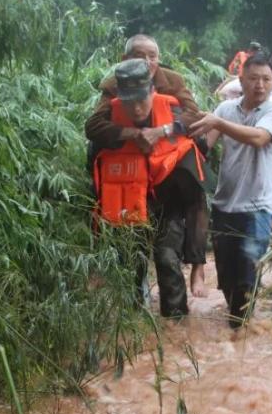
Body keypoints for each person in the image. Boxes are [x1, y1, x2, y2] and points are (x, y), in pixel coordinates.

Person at [85, 34, 209, 297]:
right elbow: (93, 127)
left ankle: (197, 265)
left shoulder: (172, 81)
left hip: (169, 165)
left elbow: (193, 115)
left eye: (152, 56)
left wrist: (161, 131)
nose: (147, 62)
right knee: (132, 252)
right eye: (140, 56)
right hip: (131, 171)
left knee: (194, 187)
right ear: (125, 60)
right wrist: (132, 134)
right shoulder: (113, 84)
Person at [189, 54, 272, 328]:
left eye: (266, 79)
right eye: (254, 78)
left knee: (247, 272)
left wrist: (218, 124)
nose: (260, 85)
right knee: (226, 275)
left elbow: (259, 138)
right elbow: (204, 147)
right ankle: (237, 319)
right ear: (241, 80)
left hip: (257, 208)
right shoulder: (225, 109)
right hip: (224, 205)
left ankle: (239, 331)